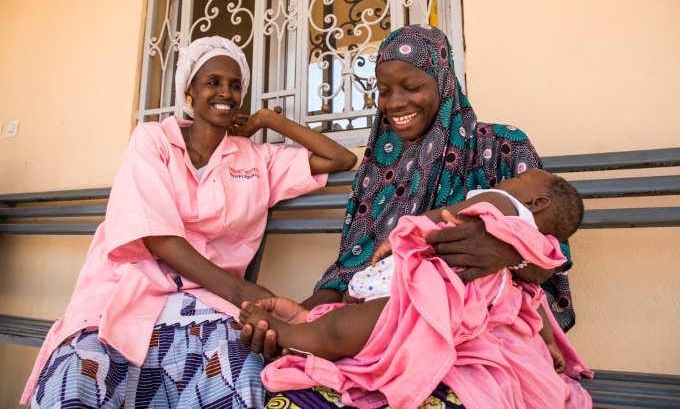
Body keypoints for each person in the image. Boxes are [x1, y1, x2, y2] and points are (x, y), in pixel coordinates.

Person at [239, 25, 586, 408]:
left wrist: (508, 253)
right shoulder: (381, 165)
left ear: (443, 79)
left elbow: (551, 261)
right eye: (384, 91)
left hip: (479, 336)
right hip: (386, 326)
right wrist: (306, 318)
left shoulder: (503, 147)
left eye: (412, 87)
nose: (395, 103)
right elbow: (353, 266)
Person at [20, 36, 357, 408]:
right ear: (190, 91)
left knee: (240, 375)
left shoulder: (257, 158)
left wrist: (267, 119)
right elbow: (158, 238)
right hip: (130, 288)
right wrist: (243, 292)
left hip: (209, 303)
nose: (225, 92)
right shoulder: (153, 140)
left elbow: (341, 159)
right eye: (213, 82)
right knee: (76, 376)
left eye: (234, 85)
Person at [239, 169, 582, 372]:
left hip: (422, 295)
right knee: (345, 328)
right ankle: (297, 327)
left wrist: (402, 233)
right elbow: (533, 303)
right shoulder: (534, 252)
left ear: (537, 204)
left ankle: (283, 333)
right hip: (441, 310)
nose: (508, 178)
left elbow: (442, 216)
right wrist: (549, 345)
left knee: (344, 328)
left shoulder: (503, 203)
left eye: (518, 177)